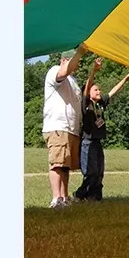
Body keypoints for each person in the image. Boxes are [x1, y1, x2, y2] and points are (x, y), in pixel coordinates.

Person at [73, 57, 129, 201]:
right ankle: (79, 194)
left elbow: (113, 91)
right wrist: (93, 71)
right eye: (96, 89)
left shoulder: (100, 104)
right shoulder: (85, 104)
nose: (99, 91)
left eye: (99, 89)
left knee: (100, 172)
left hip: (97, 142)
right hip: (87, 143)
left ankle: (95, 197)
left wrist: (126, 79)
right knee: (91, 172)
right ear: (89, 92)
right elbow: (88, 85)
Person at [42, 45, 87, 209]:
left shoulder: (73, 82)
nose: (77, 65)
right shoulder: (55, 70)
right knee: (57, 163)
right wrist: (81, 52)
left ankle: (65, 197)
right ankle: (56, 199)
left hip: (71, 129)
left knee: (66, 166)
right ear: (63, 60)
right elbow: (63, 72)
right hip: (58, 126)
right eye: (73, 60)